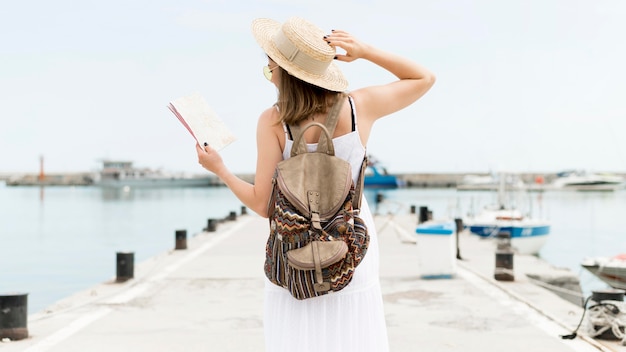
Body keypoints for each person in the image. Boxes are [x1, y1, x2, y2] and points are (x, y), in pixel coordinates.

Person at [196, 16, 435, 352]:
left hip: (294, 254)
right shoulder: (359, 106)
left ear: (286, 73)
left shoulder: (274, 121)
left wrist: (219, 169)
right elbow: (424, 77)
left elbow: (263, 203)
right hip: (350, 245)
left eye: (270, 69)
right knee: (353, 334)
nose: (270, 76)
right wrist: (364, 51)